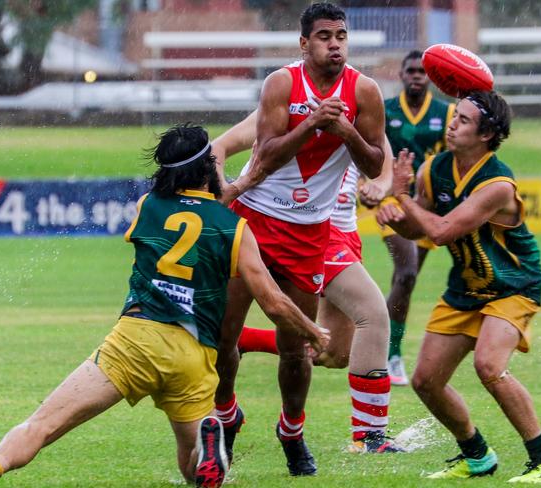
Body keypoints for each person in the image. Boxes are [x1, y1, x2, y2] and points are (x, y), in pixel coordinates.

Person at [0, 124, 329, 488]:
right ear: (208, 168)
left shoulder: (148, 204)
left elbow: (184, 213)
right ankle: (207, 447)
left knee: (42, 425)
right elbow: (275, 303)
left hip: (134, 341)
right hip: (193, 357)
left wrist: (223, 190)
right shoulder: (234, 229)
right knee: (190, 465)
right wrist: (314, 333)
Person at [213, 2, 386, 476]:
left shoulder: (365, 92)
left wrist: (344, 127)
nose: (335, 44)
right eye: (325, 36)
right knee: (223, 335)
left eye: (341, 36)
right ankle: (227, 413)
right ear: (304, 43)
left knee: (297, 350)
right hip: (254, 221)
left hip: (310, 231)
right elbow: (264, 155)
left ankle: (291, 429)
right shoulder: (282, 84)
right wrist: (311, 122)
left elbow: (374, 163)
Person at [377, 91, 541, 483]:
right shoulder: (434, 169)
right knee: (425, 380)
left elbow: (443, 232)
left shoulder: (498, 183)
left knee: (489, 366)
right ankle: (477, 455)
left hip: (513, 284)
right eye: (454, 116)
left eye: (462, 120)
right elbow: (419, 227)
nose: (452, 124)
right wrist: (392, 213)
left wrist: (399, 195)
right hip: (465, 287)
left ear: (486, 134)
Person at [212, 110, 402, 454]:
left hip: (343, 231)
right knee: (373, 315)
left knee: (335, 353)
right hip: (306, 228)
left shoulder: (360, 108)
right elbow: (219, 146)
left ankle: (242, 339)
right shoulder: (283, 105)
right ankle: (370, 439)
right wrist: (222, 190)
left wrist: (381, 187)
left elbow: (383, 166)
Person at [379, 50, 455, 386]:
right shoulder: (385, 110)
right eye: (411, 71)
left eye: (422, 72)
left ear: (430, 78)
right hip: (390, 203)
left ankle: (380, 343)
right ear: (401, 74)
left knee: (406, 281)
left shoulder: (446, 112)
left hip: (426, 206)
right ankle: (390, 353)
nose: (416, 76)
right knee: (407, 271)